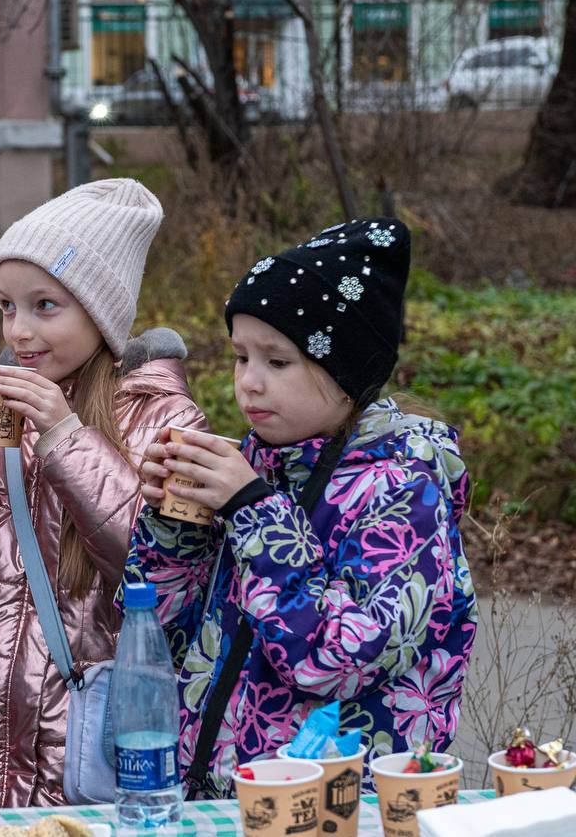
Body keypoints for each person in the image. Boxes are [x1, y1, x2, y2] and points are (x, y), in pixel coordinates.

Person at [126, 218, 477, 798]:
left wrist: (254, 513)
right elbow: (161, 634)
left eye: (277, 362)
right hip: (217, 792)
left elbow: (337, 662)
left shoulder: (405, 492)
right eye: (241, 357)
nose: (249, 384)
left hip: (335, 804)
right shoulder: (253, 469)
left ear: (348, 374)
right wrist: (172, 524)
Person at [0, 179, 208, 808]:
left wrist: (68, 438)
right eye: (7, 306)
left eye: (45, 306)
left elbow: (155, 569)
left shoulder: (165, 419)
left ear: (101, 312)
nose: (19, 331)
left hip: (90, 734)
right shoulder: (3, 414)